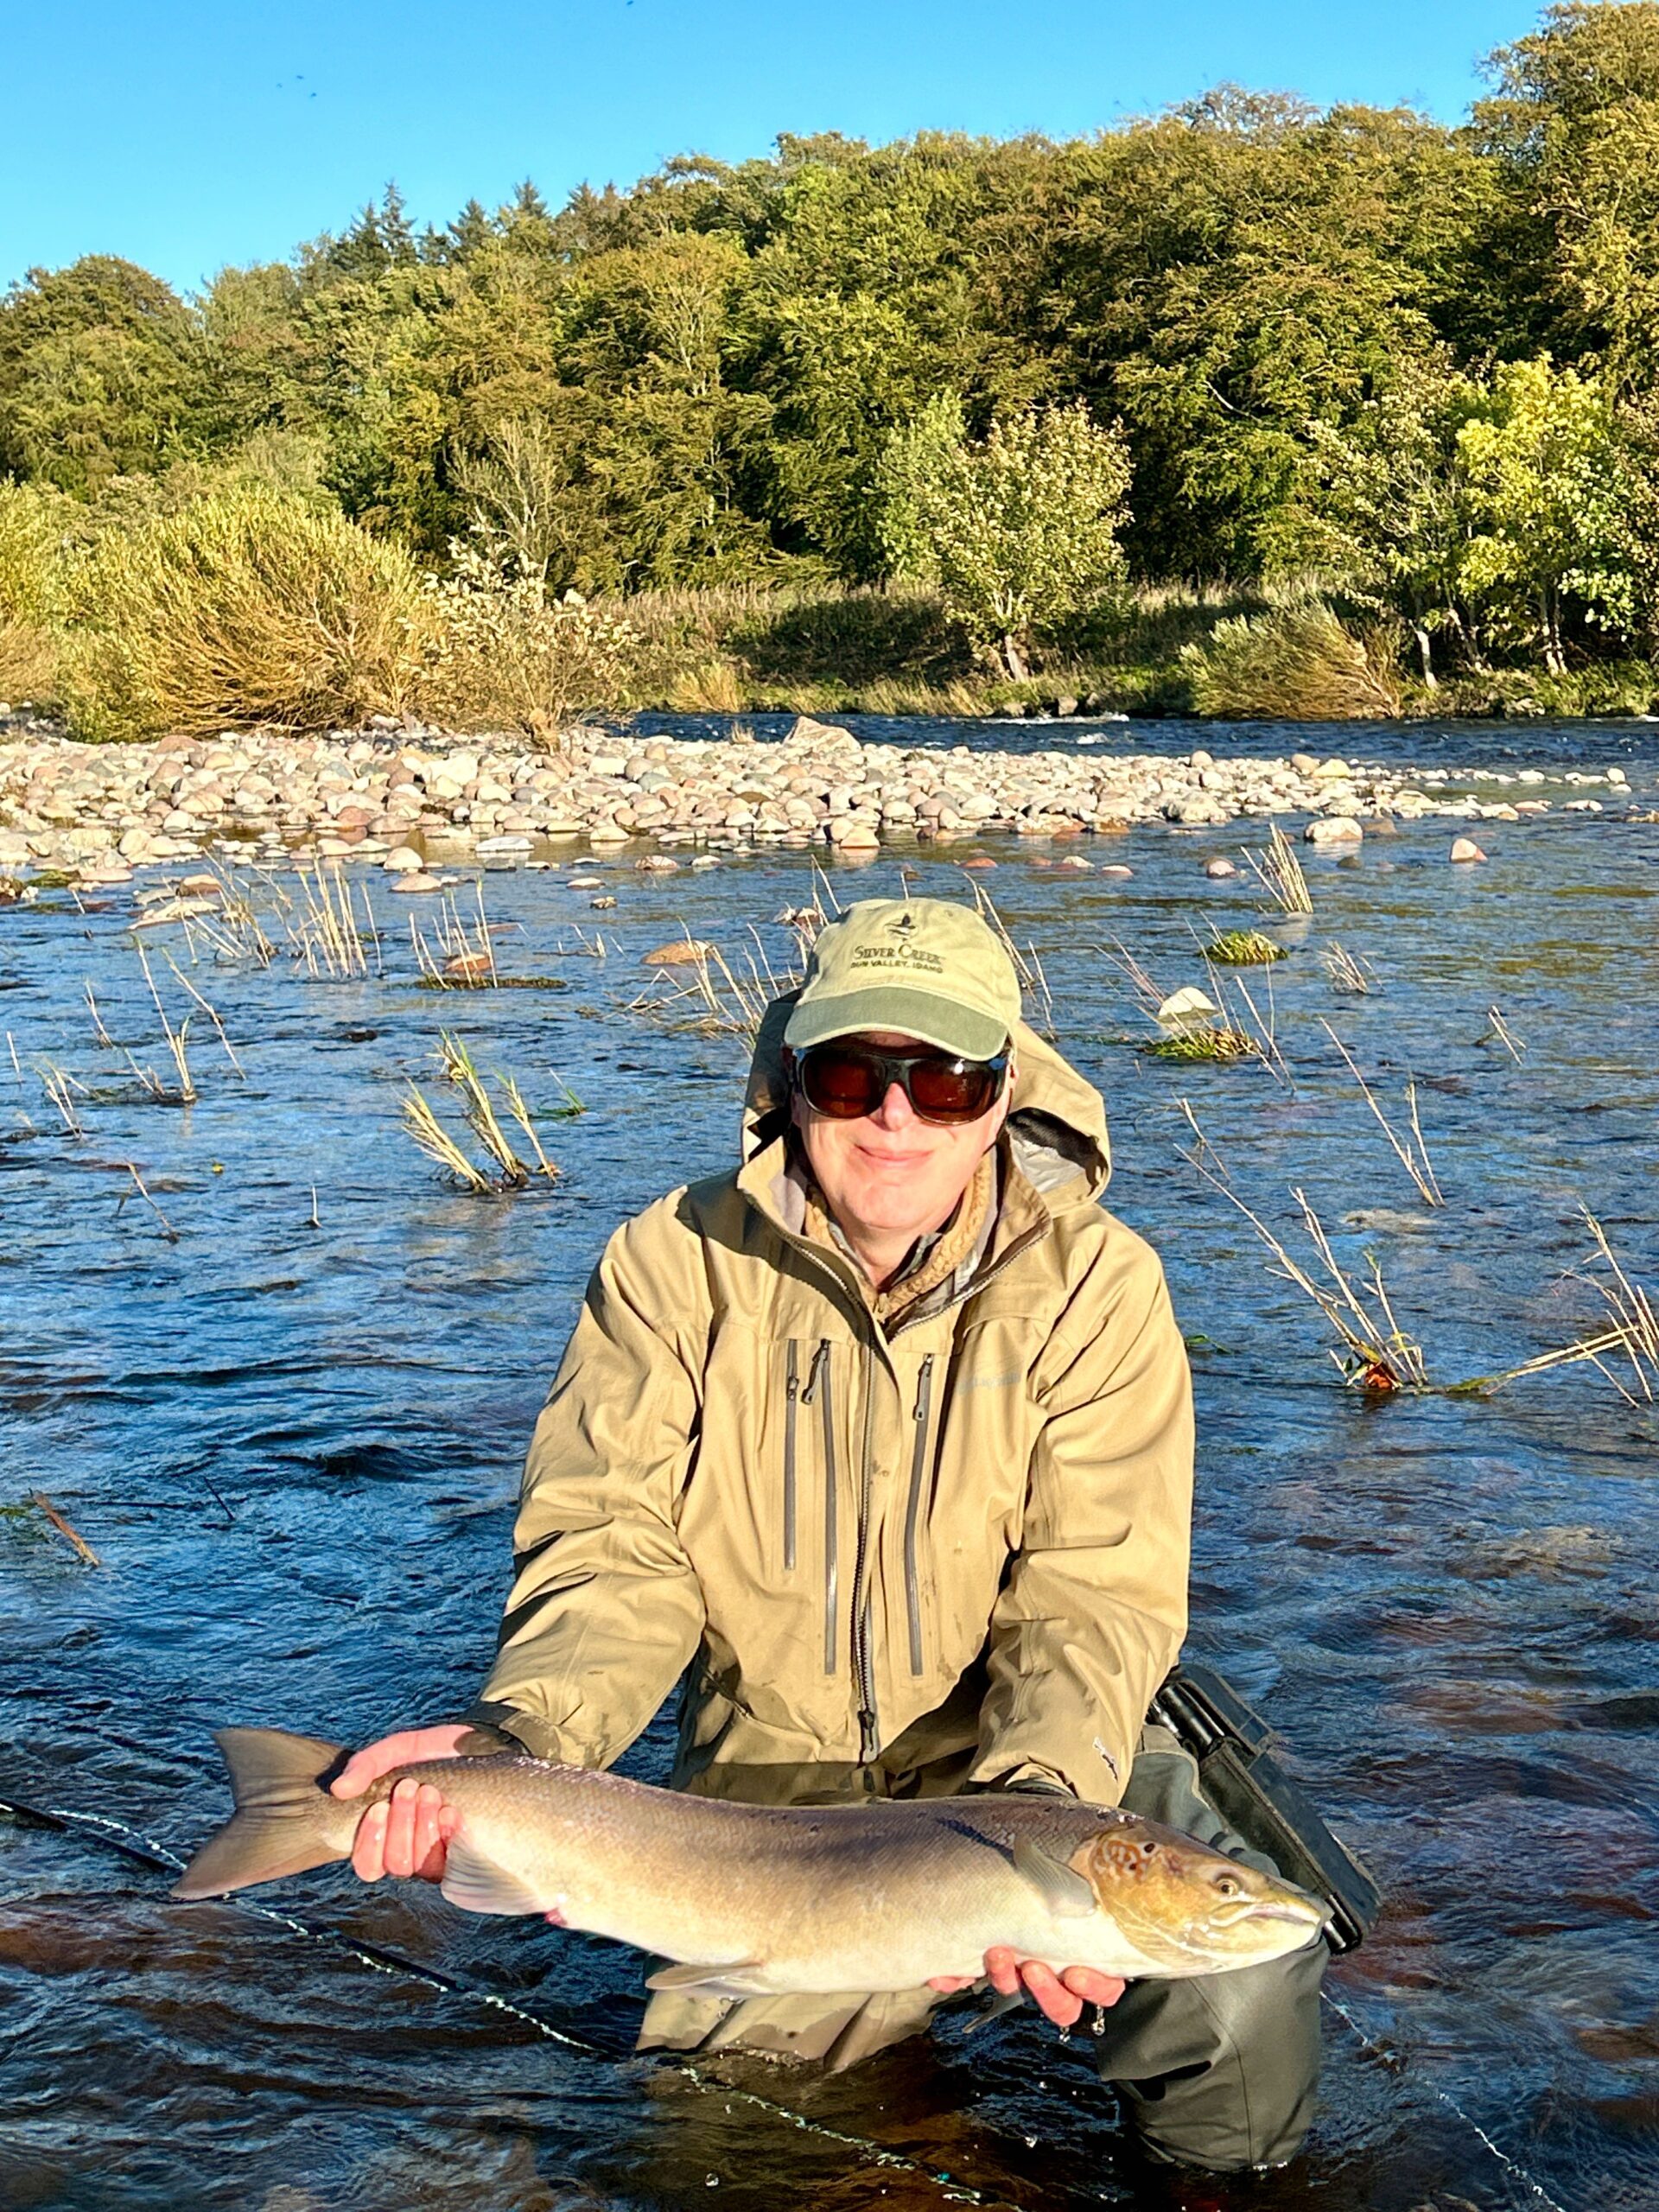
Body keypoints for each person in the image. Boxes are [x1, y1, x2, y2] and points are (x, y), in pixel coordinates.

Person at [333, 896, 1325, 2172]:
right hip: (770, 1805)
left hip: (1034, 1758)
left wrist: (1040, 1821)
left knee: (1237, 2014)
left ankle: (1215, 2193)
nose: (896, 1115)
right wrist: (519, 1745)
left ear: (1003, 1094)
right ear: (793, 1084)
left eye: (946, 1079)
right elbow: (611, 1550)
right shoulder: (670, 1264)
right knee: (730, 2144)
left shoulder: (1101, 1284)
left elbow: (1093, 1600)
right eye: (854, 1073)